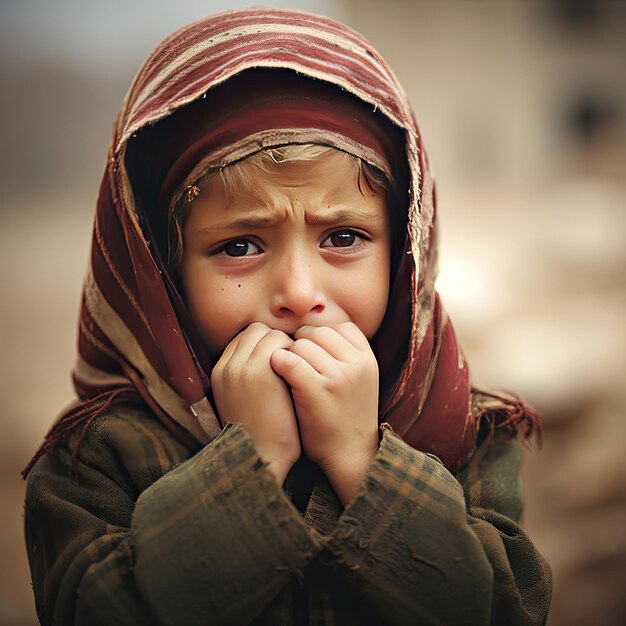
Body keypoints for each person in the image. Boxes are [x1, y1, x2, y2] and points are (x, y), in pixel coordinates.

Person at [22, 8, 551, 626]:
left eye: (345, 236)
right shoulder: (99, 456)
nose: (299, 294)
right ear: (162, 274)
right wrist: (250, 464)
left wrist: (362, 459)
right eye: (239, 246)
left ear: (406, 249)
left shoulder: (463, 434)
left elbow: (504, 612)